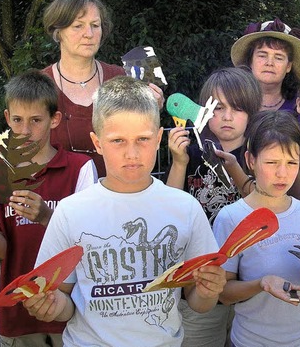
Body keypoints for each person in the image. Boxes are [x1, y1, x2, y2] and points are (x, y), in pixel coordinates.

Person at [22, 76, 226, 346]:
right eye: (118, 141)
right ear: (97, 143)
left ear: (157, 139)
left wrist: (210, 290)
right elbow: (65, 302)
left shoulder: (185, 208)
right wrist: (49, 305)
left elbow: (197, 301)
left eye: (142, 139)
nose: (132, 153)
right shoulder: (71, 212)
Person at [0, 70, 96, 347]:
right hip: (18, 314)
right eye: (17, 120)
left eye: (35, 120)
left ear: (54, 119)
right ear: (7, 119)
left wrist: (47, 216)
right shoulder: (0, 176)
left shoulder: (80, 168)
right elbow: (2, 250)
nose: (25, 131)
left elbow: (90, 240)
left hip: (72, 310)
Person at [213, 111, 300, 347]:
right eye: (272, 162)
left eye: (292, 163)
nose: (282, 173)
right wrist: (261, 283)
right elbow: (223, 293)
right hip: (250, 341)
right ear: (251, 160)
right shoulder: (231, 218)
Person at [165, 67, 261, 346]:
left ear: (252, 113)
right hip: (200, 278)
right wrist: (179, 162)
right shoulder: (191, 150)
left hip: (247, 279)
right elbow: (171, 206)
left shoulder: (258, 154)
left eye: (238, 108)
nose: (227, 116)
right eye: (218, 107)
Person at [42, 0, 164, 177]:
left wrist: (152, 108)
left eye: (95, 25)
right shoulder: (40, 85)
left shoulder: (123, 79)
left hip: (117, 199)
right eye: (78, 26)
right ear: (58, 32)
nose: (88, 34)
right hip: (57, 203)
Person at [230, 18, 300, 117]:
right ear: (250, 61)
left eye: (278, 57)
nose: (269, 63)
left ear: (288, 66)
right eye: (262, 55)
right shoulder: (230, 101)